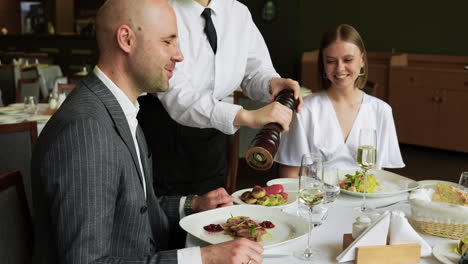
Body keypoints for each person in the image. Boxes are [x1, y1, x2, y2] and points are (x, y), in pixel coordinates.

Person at [30, 0, 264, 263]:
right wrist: (202, 259)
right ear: (126, 40)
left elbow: (135, 210)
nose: (179, 55)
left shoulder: (121, 108)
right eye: (168, 41)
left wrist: (193, 204)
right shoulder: (86, 131)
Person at [137, 0, 303, 197]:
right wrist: (245, 117)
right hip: (163, 134)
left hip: (213, 136)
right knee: (165, 217)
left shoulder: (237, 12)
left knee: (213, 215)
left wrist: (273, 82)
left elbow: (255, 71)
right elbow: (177, 94)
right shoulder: (161, 9)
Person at [275, 24, 405, 178]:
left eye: (348, 59)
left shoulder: (381, 111)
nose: (340, 68)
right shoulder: (305, 109)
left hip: (365, 200)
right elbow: (289, 176)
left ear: (362, 60)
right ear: (323, 64)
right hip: (316, 200)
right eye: (331, 61)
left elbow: (378, 175)